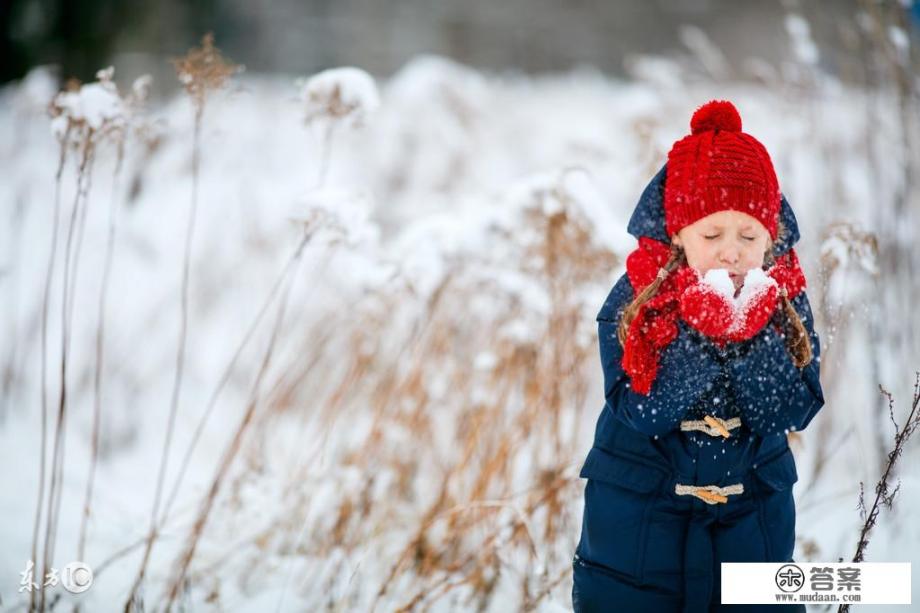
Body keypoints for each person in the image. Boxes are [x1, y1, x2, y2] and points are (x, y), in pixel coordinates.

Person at [571, 100, 825, 612]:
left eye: (748, 236)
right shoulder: (637, 300)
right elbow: (640, 409)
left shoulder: (782, 298)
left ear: (769, 238)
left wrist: (748, 333)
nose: (731, 251)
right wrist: (703, 337)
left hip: (751, 527)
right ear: (679, 233)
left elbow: (794, 406)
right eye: (712, 235)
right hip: (639, 537)